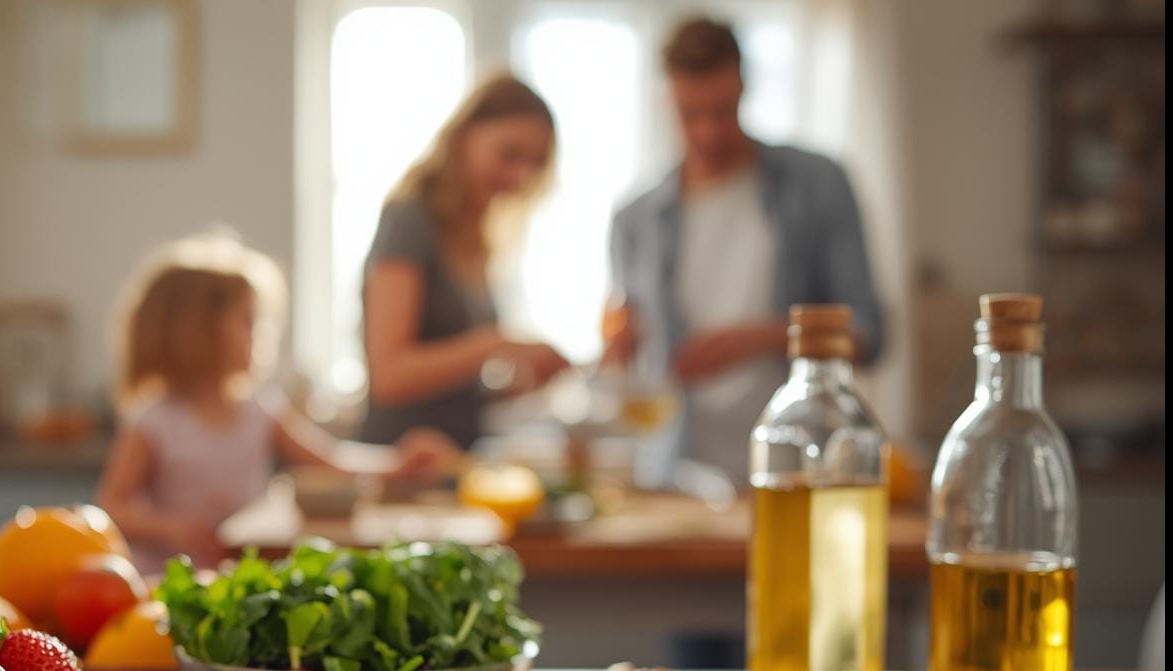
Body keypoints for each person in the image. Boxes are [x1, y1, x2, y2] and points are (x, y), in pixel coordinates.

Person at [605, 17, 883, 485]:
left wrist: (758, 339)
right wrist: (621, 346)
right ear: (665, 99)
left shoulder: (819, 184)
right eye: (690, 114)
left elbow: (869, 333)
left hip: (802, 469)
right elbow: (627, 350)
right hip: (677, 474)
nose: (709, 133)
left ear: (744, 88)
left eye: (722, 110)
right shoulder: (635, 219)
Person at [96, 232, 455, 575]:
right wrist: (171, 528)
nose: (261, 335)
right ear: (199, 332)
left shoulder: (260, 409)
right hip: (167, 580)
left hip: (237, 574)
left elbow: (329, 461)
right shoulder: (156, 422)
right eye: (247, 322)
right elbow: (112, 506)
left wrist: (398, 463)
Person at [359, 74, 570, 449]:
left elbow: (454, 392)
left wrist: (519, 383)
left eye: (535, 164)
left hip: (455, 462)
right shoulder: (410, 220)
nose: (520, 176)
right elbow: (389, 376)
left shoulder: (474, 239)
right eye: (509, 154)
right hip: (404, 467)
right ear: (463, 136)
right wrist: (496, 344)